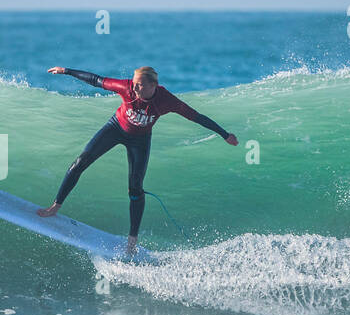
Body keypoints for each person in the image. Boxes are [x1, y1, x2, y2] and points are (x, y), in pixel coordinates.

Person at [37, 66, 238, 256]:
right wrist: (66, 71)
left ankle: (132, 240)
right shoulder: (127, 88)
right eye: (134, 83)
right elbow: (96, 80)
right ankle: (55, 207)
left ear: (153, 86)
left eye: (139, 84)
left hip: (140, 141)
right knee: (80, 162)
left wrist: (224, 134)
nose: (134, 87)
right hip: (115, 128)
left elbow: (196, 116)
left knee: (135, 188)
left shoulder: (166, 100)